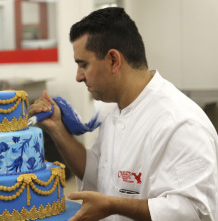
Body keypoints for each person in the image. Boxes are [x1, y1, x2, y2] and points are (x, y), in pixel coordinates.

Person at [28, 7, 218, 221]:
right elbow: (98, 173)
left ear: (113, 60)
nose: (78, 77)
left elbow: (192, 211)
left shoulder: (180, 123)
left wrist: (113, 205)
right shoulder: (112, 110)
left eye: (83, 64)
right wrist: (57, 129)